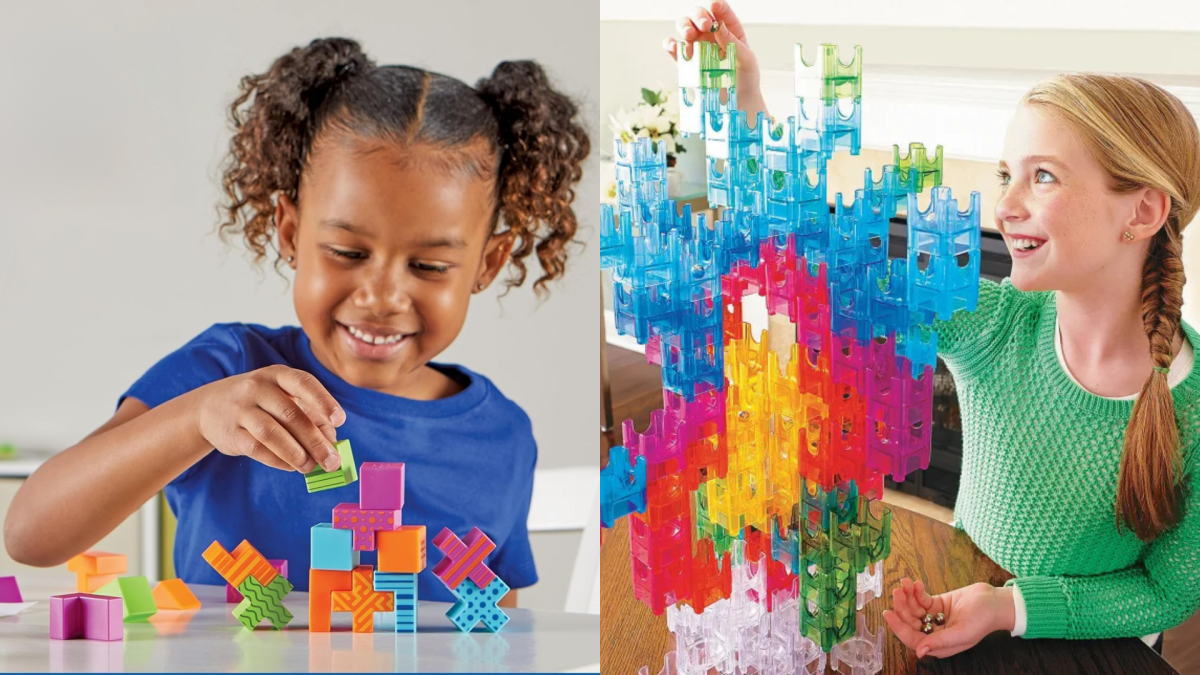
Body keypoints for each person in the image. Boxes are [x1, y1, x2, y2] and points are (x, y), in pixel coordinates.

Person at [666, 2, 1200, 657]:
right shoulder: (997, 325)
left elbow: (1168, 592)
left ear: (1142, 210)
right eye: (1007, 174)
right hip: (959, 600)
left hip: (1091, 640)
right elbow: (833, 259)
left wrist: (1012, 607)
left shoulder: (1192, 403)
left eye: (1043, 176)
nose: (1004, 207)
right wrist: (749, 101)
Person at [4, 37, 590, 606]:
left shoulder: (503, 436)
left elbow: (500, 626)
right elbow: (31, 536)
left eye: (429, 265)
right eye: (348, 252)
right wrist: (198, 419)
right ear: (290, 232)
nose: (382, 296)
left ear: (487, 263)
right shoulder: (226, 372)